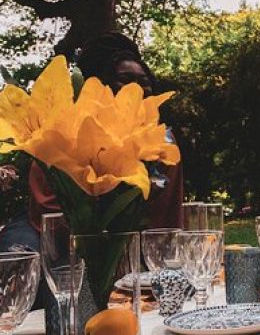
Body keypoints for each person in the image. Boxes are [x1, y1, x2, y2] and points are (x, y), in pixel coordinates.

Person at [0, 32, 183, 256]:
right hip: (54, 238)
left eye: (145, 82)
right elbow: (47, 211)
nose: (137, 89)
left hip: (127, 246)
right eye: (125, 81)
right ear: (98, 84)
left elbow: (166, 219)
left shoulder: (160, 139)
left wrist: (161, 260)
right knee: (20, 262)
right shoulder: (64, 127)